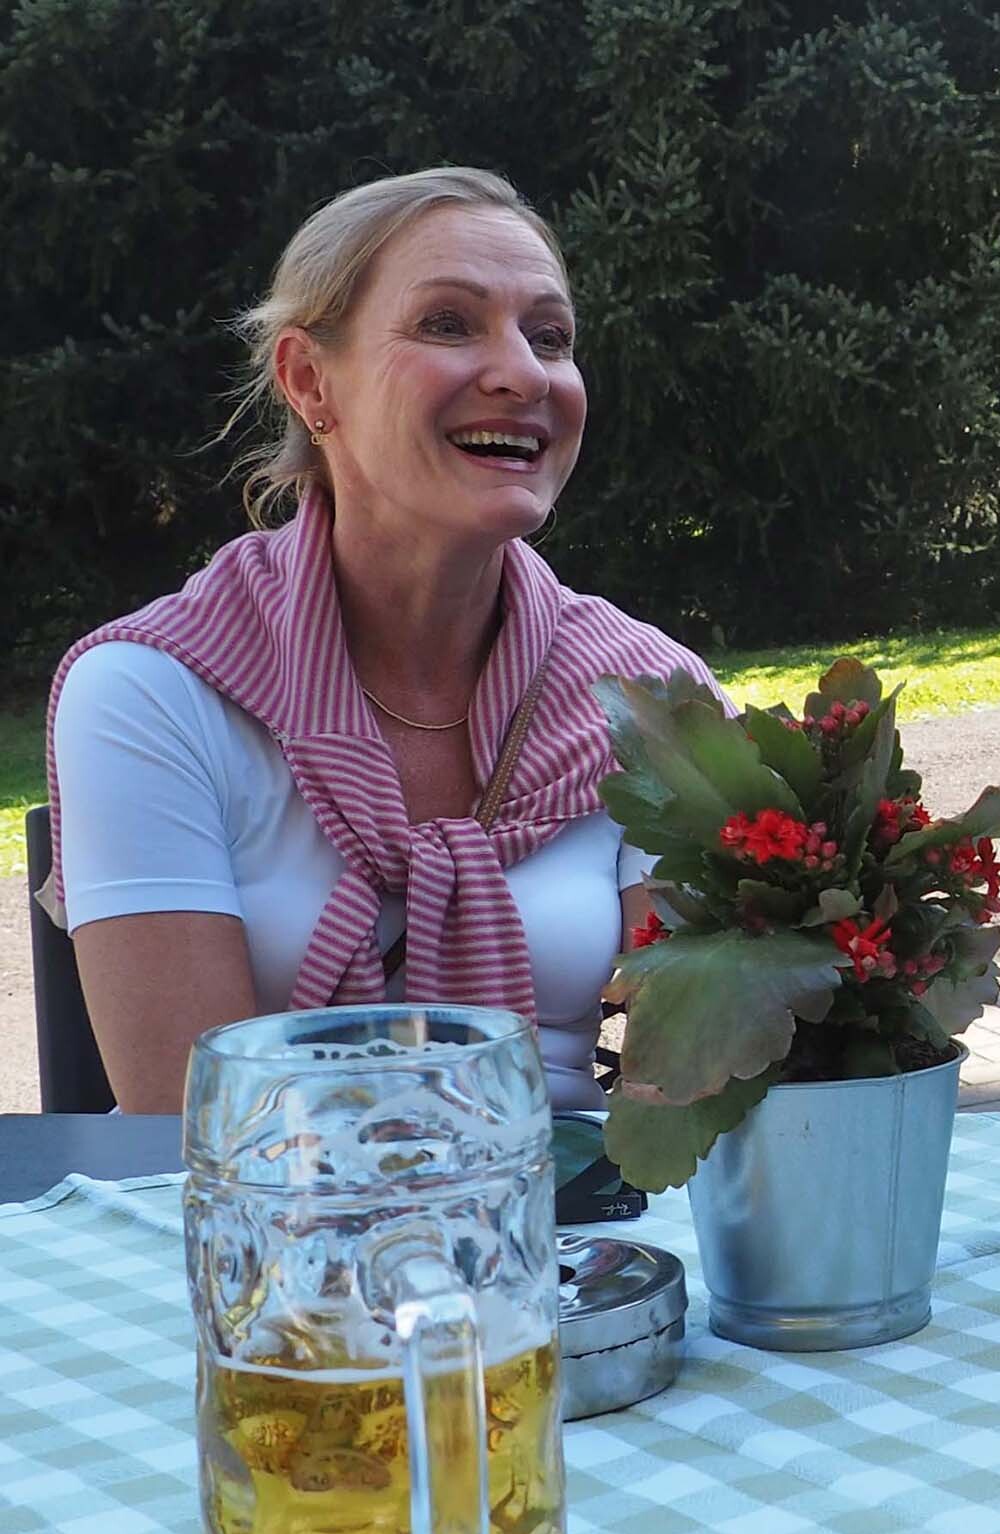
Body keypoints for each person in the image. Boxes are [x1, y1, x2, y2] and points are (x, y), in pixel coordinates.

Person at [40, 168, 710, 1113]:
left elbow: (694, 1100)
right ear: (310, 381)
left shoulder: (651, 695)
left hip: (574, 1193)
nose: (523, 373)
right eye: (448, 323)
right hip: (262, 1194)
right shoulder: (153, 692)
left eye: (550, 336)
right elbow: (188, 1123)